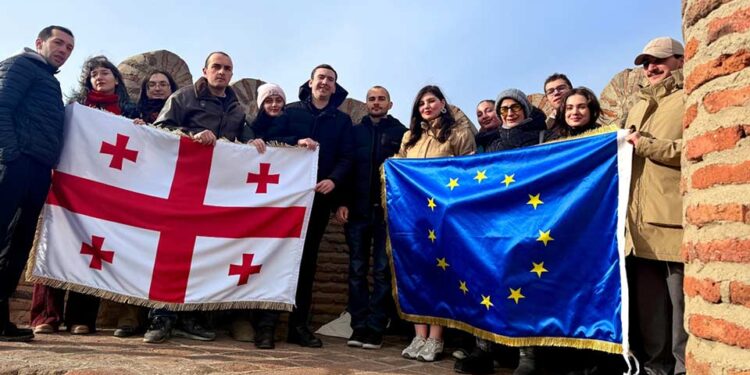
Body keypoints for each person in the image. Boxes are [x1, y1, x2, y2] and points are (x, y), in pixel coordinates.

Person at [143, 51, 247, 344]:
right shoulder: (184, 97)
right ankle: (161, 316)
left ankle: (190, 317)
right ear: (205, 69)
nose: (222, 72)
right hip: (182, 186)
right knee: (170, 250)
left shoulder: (237, 108)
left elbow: (244, 140)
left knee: (202, 254)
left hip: (215, 190)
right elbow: (160, 131)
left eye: (227, 68)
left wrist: (255, 141)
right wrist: (193, 135)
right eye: (217, 66)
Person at [31, 55, 137, 336]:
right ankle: (46, 316)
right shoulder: (74, 111)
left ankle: (82, 318)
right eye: (93, 74)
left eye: (105, 73)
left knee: (94, 252)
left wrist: (139, 132)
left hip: (104, 195)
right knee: (55, 247)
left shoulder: (128, 116)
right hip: (68, 188)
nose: (99, 78)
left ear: (117, 79)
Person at [262, 64, 354, 348]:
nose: (325, 83)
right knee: (274, 258)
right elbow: (269, 141)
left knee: (306, 264)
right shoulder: (291, 112)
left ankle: (298, 326)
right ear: (310, 82)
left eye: (330, 80)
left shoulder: (342, 121)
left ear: (335, 87)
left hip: (317, 201)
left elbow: (347, 158)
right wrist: (295, 141)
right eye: (321, 78)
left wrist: (333, 181)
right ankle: (266, 326)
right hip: (285, 200)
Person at [0, 25, 75, 342]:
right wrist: (10, 154)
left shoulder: (49, 80)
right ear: (39, 43)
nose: (63, 50)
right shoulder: (20, 65)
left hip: (37, 169)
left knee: (16, 246)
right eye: (58, 43)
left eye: (69, 47)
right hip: (14, 165)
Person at [398, 85, 476, 362]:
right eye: (421, 104)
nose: (426, 107)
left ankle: (436, 339)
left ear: (443, 103)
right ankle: (419, 335)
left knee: (440, 273)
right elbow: (401, 170)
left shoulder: (458, 133)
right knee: (417, 273)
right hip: (415, 217)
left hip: (444, 215)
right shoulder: (410, 137)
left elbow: (468, 170)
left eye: (431, 101)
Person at [624, 37, 687, 375]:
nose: (650, 67)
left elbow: (691, 149)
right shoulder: (636, 106)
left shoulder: (689, 97)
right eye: (646, 62)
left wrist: (645, 145)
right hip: (639, 228)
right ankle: (653, 369)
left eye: (659, 60)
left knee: (681, 312)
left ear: (680, 59)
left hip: (673, 220)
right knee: (650, 314)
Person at [335, 86, 406, 350]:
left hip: (388, 214)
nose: (376, 103)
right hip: (357, 212)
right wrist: (341, 202)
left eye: (381, 99)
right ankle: (359, 326)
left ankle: (376, 328)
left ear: (390, 103)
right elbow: (346, 166)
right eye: (371, 99)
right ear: (366, 104)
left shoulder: (401, 134)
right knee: (356, 270)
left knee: (382, 271)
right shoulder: (354, 132)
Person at [235, 82, 287, 348]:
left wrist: (300, 146)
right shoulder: (249, 128)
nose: (274, 105)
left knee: (277, 263)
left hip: (281, 210)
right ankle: (241, 320)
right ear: (260, 104)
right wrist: (248, 144)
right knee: (245, 261)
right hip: (251, 208)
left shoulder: (293, 129)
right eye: (269, 101)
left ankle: (267, 327)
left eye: (278, 100)